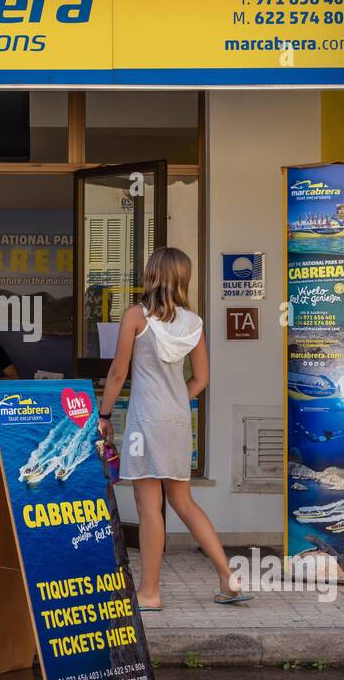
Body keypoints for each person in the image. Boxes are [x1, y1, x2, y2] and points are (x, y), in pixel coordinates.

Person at [97, 247, 251, 610]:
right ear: (184, 278)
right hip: (179, 420)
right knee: (183, 501)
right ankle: (228, 579)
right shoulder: (193, 323)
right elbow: (202, 378)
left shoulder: (137, 316)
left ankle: (149, 592)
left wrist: (103, 415)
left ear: (152, 274)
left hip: (145, 422)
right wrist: (177, 399)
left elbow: (119, 372)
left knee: (149, 506)